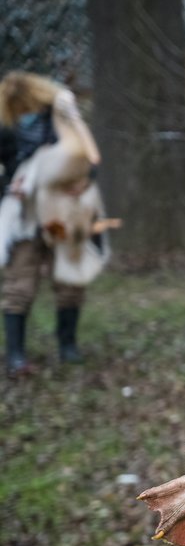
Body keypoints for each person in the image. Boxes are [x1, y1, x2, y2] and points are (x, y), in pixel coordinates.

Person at [0, 72, 103, 377]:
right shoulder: (6, 125)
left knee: (70, 280)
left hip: (66, 210)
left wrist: (81, 184)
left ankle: (67, 345)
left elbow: (88, 158)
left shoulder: (62, 115)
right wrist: (11, 186)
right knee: (19, 281)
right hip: (25, 214)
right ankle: (16, 354)